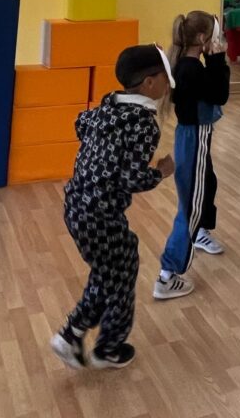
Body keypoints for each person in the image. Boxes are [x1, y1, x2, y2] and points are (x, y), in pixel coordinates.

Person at [50, 44, 175, 370]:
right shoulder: (144, 123)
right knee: (116, 275)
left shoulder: (109, 104)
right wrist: (161, 172)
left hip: (76, 204)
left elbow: (80, 123)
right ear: (149, 83)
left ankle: (79, 336)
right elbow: (132, 178)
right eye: (165, 78)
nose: (168, 85)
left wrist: (102, 152)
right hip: (101, 214)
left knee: (115, 268)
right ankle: (96, 344)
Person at [154, 11, 230, 300]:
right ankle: (168, 275)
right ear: (202, 38)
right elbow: (220, 94)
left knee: (206, 186)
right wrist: (218, 59)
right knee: (190, 210)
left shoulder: (188, 64)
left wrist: (213, 59)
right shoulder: (191, 69)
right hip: (194, 139)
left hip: (194, 138)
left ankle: (198, 234)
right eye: (213, 36)